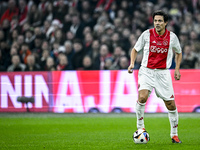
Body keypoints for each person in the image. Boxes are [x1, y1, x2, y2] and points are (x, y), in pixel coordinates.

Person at [128, 10, 182, 143]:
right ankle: (141, 128)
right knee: (142, 96)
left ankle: (174, 135)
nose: (157, 23)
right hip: (147, 70)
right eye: (155, 20)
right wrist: (132, 63)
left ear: (166, 23)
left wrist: (177, 69)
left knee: (171, 105)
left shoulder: (172, 37)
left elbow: (179, 52)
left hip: (163, 73)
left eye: (160, 21)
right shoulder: (146, 34)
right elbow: (135, 49)